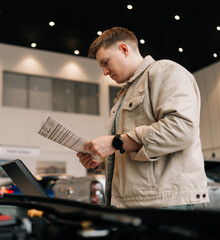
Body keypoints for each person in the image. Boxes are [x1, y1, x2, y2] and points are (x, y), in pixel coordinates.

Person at [77, 27, 210, 209]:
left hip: (167, 203)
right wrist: (100, 161)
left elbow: (182, 129)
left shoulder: (166, 71)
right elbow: (130, 150)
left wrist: (116, 142)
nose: (105, 72)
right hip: (137, 203)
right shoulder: (123, 95)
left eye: (106, 63)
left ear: (124, 49)